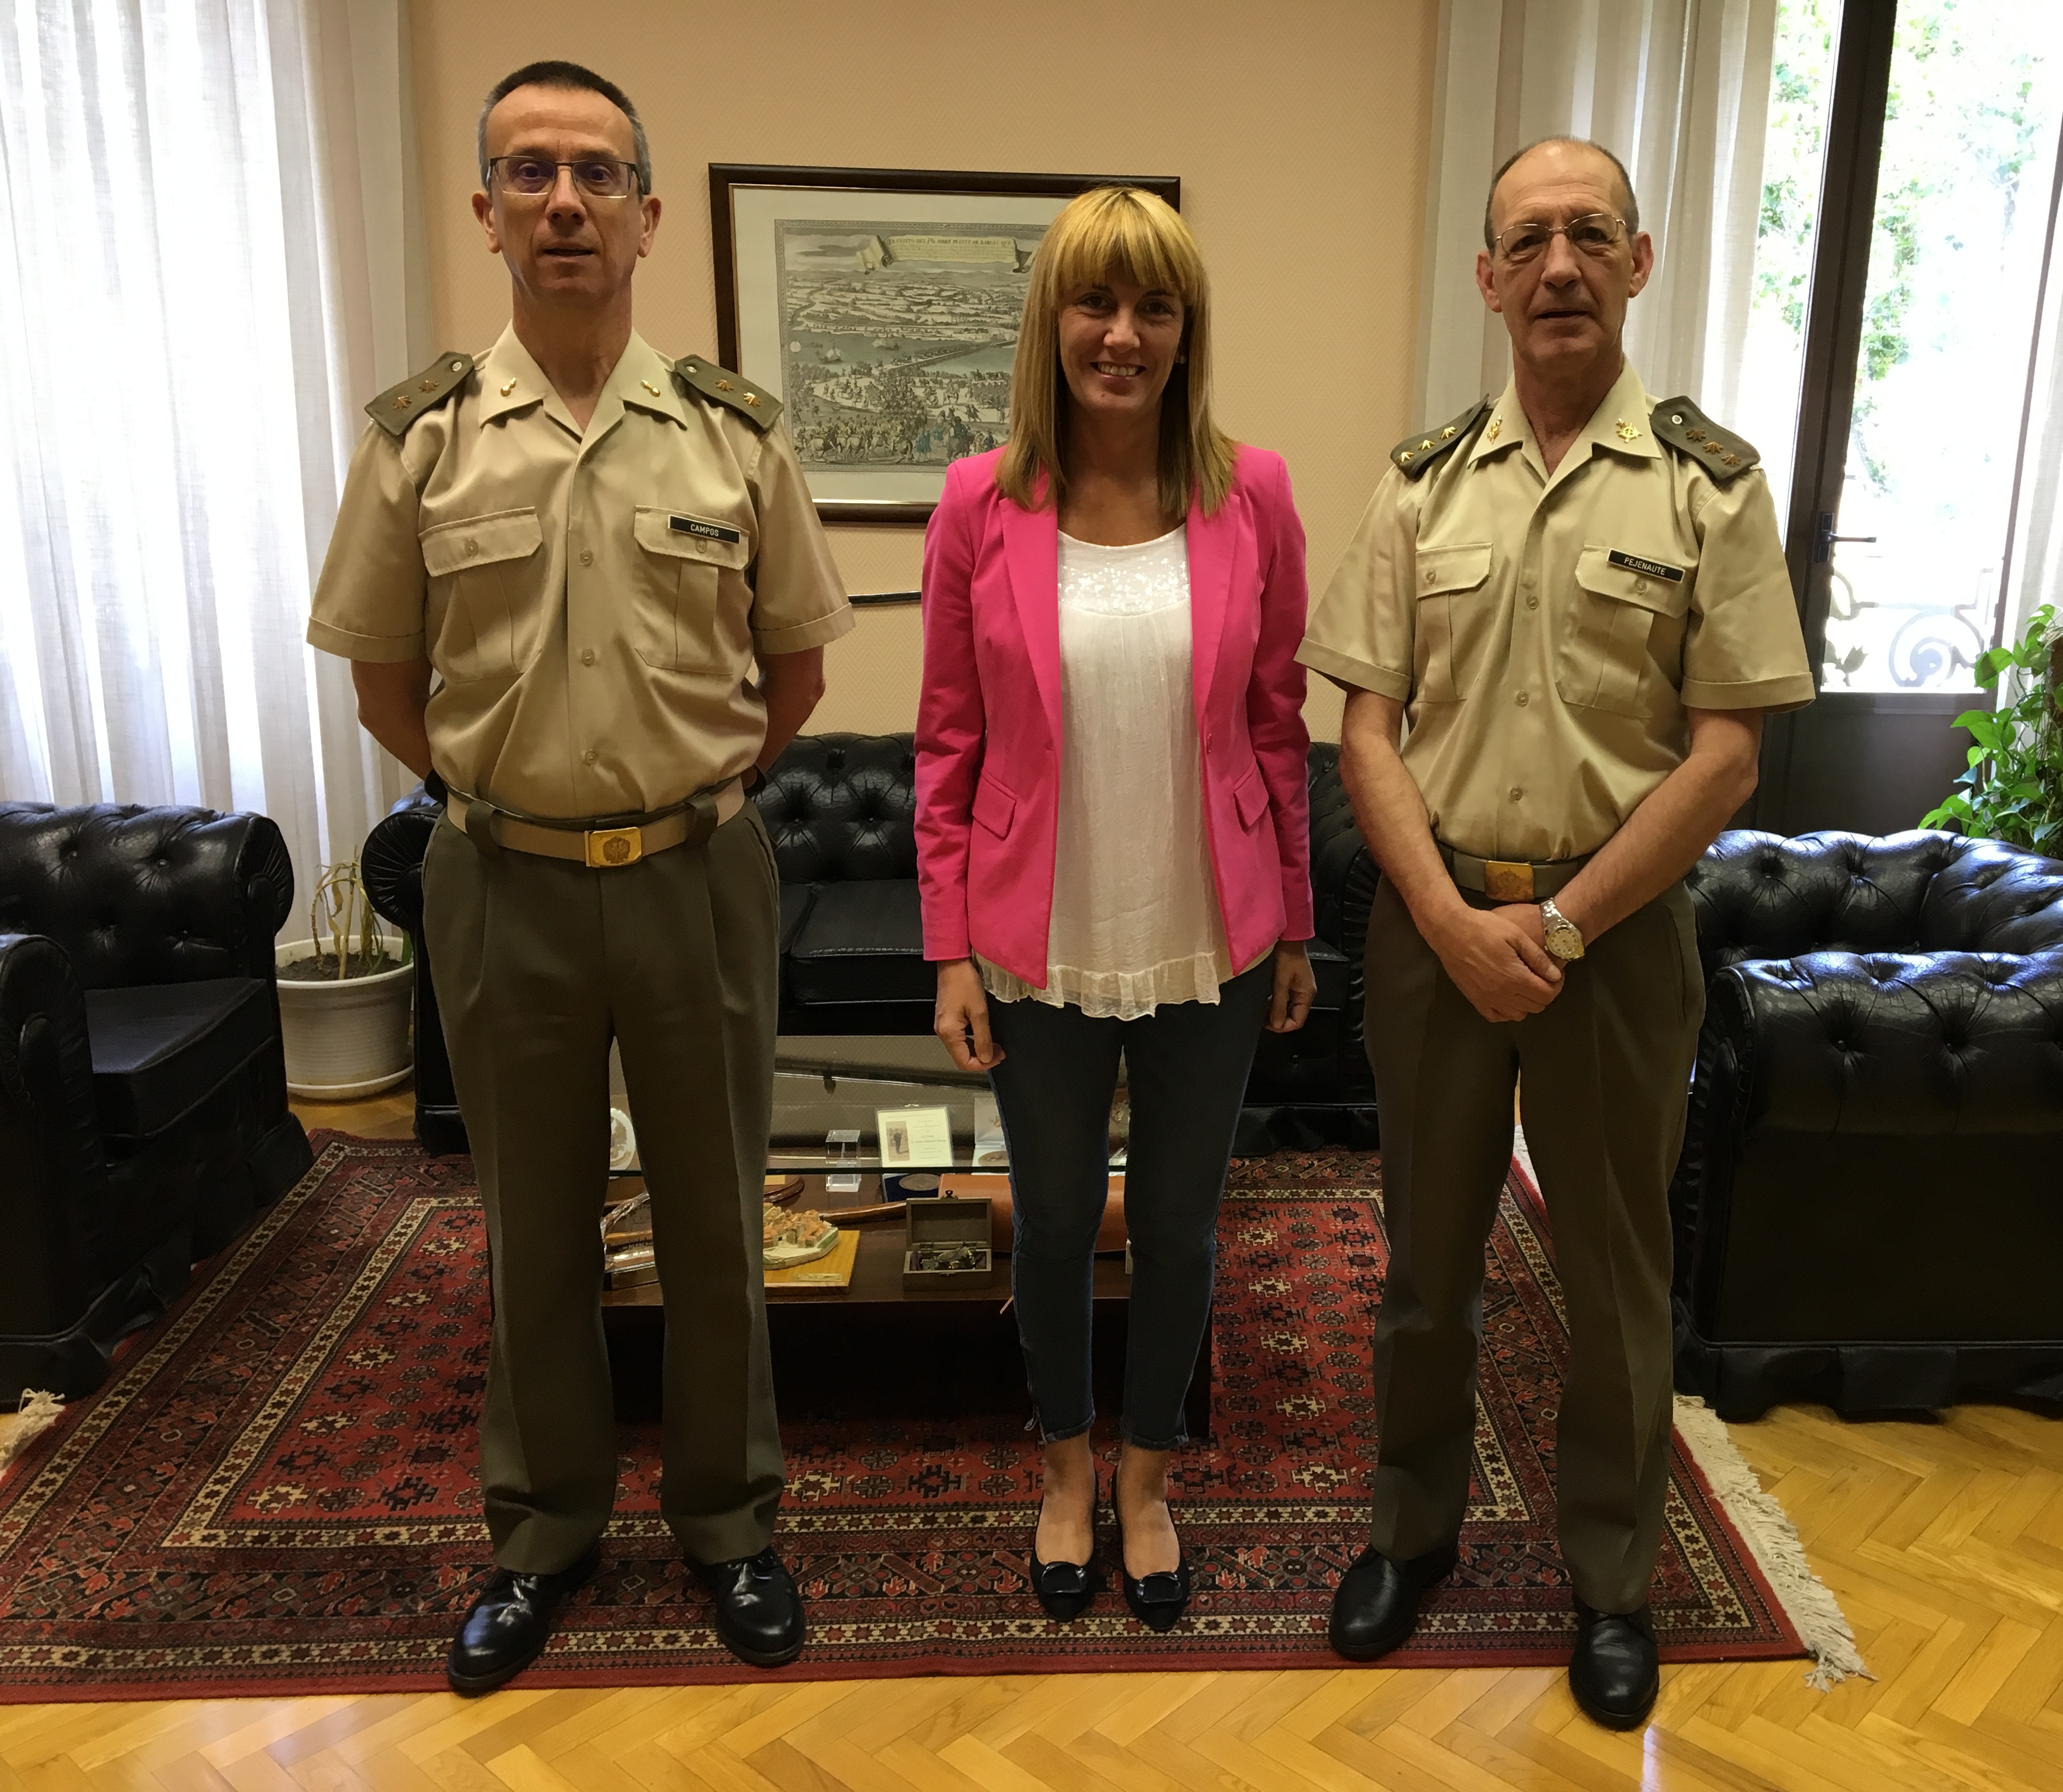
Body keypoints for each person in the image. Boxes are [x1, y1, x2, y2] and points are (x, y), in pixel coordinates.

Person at [307, 60, 853, 1693]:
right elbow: (385, 686)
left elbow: (795, 673)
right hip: (503, 883)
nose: (564, 202)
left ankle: (730, 1525)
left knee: (716, 1218)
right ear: (486, 212)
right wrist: (511, 796)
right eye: (530, 173)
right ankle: (541, 1535)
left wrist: (686, 793)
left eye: (596, 174)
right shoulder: (423, 442)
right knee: (531, 1226)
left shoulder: (732, 435)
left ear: (646, 214)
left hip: (698, 875)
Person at [1297, 136, 1815, 1727]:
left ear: (1638, 263)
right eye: (1527, 242)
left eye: (1591, 235)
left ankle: (1611, 1580)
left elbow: (1727, 752)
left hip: (1620, 936)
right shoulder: (1419, 483)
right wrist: (1450, 919)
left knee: (1613, 1273)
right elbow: (1366, 728)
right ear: (1488, 278)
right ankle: (1410, 1534)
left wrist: (1567, 925)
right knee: (1424, 1265)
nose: (1560, 267)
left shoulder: (1711, 486)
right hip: (1436, 930)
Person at [915, 185, 1316, 1632]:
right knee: (1052, 1223)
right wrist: (949, 949)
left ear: (1187, 331)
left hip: (1214, 931)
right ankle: (1066, 1472)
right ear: (1053, 324)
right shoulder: (979, 504)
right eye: (1096, 301)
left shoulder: (1253, 492)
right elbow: (948, 741)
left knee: (1184, 1230)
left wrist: (1299, 922)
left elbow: (1277, 723)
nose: (1123, 334)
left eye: (1155, 306)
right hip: (1039, 939)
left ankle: (1148, 1483)